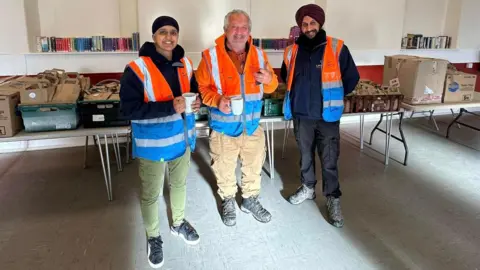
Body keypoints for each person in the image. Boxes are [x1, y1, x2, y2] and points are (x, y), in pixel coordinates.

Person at [120, 16, 201, 268]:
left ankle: (178, 223)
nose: (169, 37)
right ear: (154, 36)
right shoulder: (136, 68)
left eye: (173, 32)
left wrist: (199, 102)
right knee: (151, 195)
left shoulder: (185, 64)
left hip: (182, 140)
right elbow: (128, 109)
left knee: (179, 186)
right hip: (152, 145)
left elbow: (195, 94)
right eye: (163, 32)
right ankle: (153, 237)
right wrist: (169, 106)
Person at [196, 9, 279, 226]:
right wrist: (216, 100)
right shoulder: (209, 57)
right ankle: (228, 200)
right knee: (224, 168)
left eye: (244, 28)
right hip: (223, 129)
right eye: (234, 27)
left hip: (252, 126)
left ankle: (250, 200)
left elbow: (271, 86)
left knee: (253, 166)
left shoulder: (260, 55)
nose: (239, 32)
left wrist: (270, 78)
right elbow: (202, 89)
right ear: (225, 30)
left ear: (249, 31)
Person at [281, 4, 360, 228]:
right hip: (301, 116)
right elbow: (285, 77)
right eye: (304, 24)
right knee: (305, 156)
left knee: (329, 160)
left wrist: (334, 95)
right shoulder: (291, 51)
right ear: (300, 26)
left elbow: (352, 78)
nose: (308, 27)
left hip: (327, 117)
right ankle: (307, 188)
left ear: (320, 23)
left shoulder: (336, 47)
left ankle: (333, 198)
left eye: (312, 23)